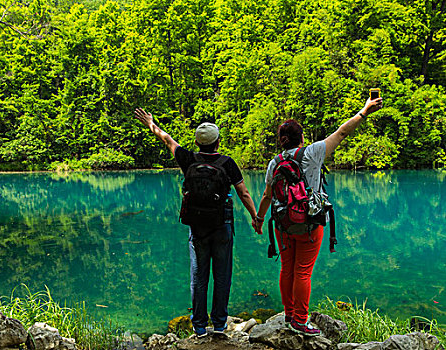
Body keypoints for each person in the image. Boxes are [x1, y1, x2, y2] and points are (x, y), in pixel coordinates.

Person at [253, 96, 383, 336]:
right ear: (301, 138)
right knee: (303, 271)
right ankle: (301, 321)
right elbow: (342, 132)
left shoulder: (275, 162)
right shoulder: (313, 152)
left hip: (282, 224)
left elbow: (267, 195)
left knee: (287, 269)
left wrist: (259, 219)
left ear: (281, 141)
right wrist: (364, 111)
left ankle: (289, 314)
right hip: (310, 223)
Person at [134, 108, 259, 337]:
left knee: (199, 277)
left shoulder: (188, 158)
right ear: (218, 141)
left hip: (197, 227)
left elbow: (166, 139)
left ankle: (200, 326)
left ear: (196, 142)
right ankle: (220, 325)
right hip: (222, 226)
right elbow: (243, 193)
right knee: (222, 276)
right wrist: (255, 217)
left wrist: (151, 123)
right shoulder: (227, 163)